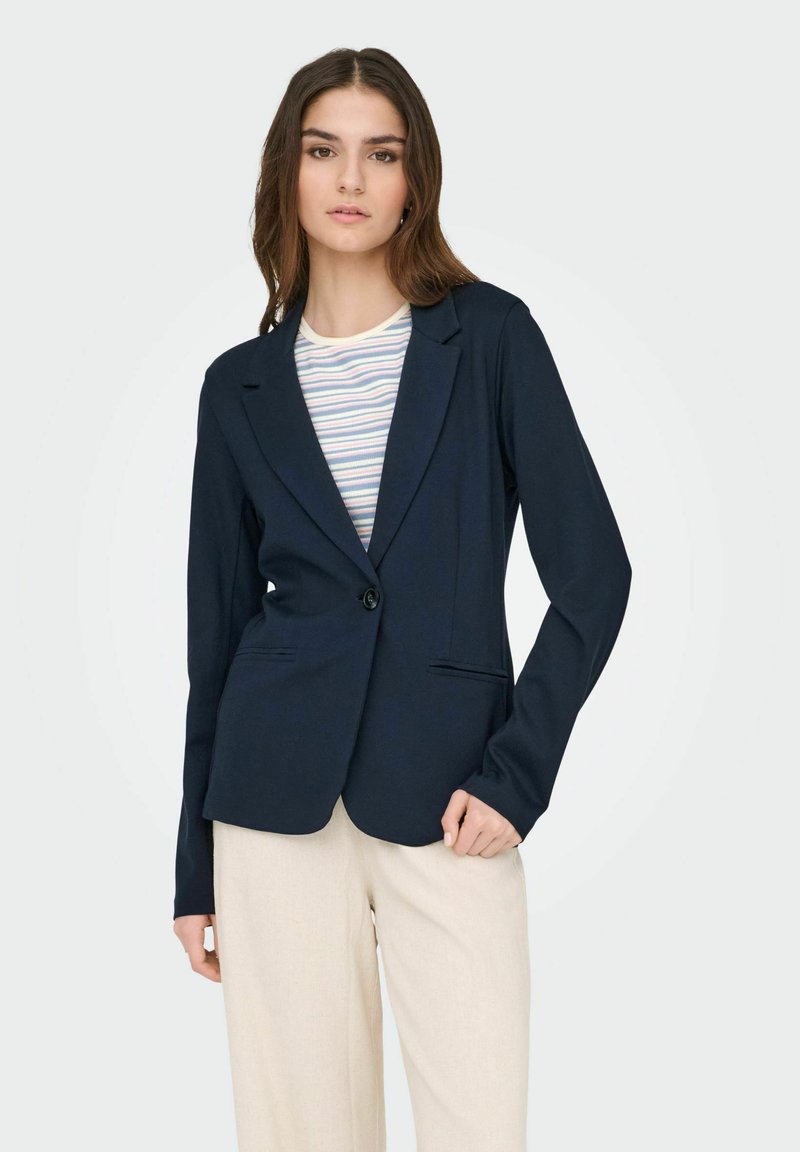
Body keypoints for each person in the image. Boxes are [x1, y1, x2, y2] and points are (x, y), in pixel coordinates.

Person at [172, 46, 632, 1152]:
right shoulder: (236, 387)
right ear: (286, 172)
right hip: (270, 804)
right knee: (298, 1133)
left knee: (478, 1124)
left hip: (451, 802)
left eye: (380, 154)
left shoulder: (491, 339)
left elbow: (593, 576)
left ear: (414, 178)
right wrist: (194, 868)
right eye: (322, 151)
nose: (349, 179)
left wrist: (516, 775)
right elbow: (214, 636)